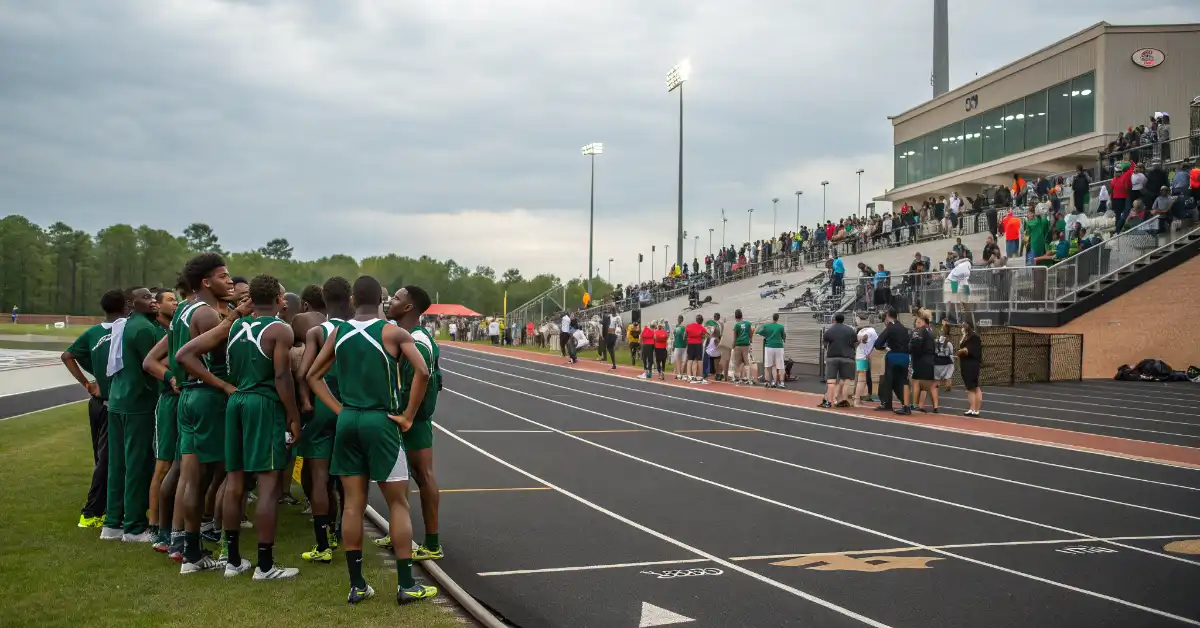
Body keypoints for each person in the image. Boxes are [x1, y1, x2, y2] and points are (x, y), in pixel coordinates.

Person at [305, 276, 438, 605]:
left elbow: (311, 375)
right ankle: (406, 584)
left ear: (353, 299)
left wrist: (339, 409)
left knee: (353, 504)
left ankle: (357, 584)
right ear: (381, 299)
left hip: (348, 420)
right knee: (398, 502)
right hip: (382, 422)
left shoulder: (339, 332)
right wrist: (408, 415)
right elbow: (423, 371)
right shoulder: (394, 332)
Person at [177, 275, 300, 579]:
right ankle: (266, 565)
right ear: (279, 299)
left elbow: (184, 354)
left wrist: (221, 384)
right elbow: (282, 377)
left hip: (235, 402)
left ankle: (232, 560)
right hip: (263, 402)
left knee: (234, 482)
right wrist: (293, 415)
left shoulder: (231, 327)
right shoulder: (280, 329)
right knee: (269, 484)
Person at [172, 253, 237, 573]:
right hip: (206, 396)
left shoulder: (182, 308)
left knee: (193, 477)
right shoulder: (209, 315)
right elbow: (189, 358)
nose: (229, 281)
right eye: (223, 276)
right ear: (206, 282)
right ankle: (200, 552)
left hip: (187, 397)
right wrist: (223, 386)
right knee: (212, 477)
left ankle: (190, 551)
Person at [372, 285, 444, 564]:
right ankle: (398, 532)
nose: (392, 301)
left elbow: (424, 379)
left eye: (398, 298)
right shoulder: (404, 334)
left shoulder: (418, 341)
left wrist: (409, 416)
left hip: (412, 421)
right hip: (402, 417)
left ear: (409, 307)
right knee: (397, 480)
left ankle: (432, 543)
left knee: (423, 476)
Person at [295, 277, 354, 564]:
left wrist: (305, 401)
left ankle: (323, 543)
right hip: (350, 407)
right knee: (348, 476)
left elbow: (303, 372)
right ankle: (344, 530)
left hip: (321, 407)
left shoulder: (317, 332)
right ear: (351, 298)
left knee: (319, 476)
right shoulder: (358, 329)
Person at [100, 286, 165, 542]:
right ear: (131, 302)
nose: (153, 301)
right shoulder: (145, 329)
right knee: (137, 465)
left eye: (153, 297)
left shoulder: (123, 325)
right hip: (138, 402)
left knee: (117, 465)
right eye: (146, 298)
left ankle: (112, 523)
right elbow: (152, 366)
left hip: (118, 399)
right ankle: (134, 527)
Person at [61, 289, 127, 529]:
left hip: (97, 404)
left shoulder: (93, 332)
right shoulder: (126, 331)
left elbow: (68, 355)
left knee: (103, 457)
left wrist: (89, 381)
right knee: (107, 460)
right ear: (126, 307)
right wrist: (91, 381)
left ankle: (110, 506)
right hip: (113, 404)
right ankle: (91, 512)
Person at [145, 287, 179, 548]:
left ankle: (174, 526)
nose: (176, 303)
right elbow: (150, 362)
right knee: (164, 465)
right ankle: (155, 525)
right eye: (171, 300)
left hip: (186, 402)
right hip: (169, 401)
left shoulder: (181, 326)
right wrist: (171, 376)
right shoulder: (172, 331)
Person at [873, 307, 911, 414]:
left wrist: (884, 348)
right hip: (905, 356)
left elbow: (877, 344)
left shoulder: (890, 328)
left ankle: (886, 403)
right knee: (903, 381)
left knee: (887, 381)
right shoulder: (904, 328)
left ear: (888, 317)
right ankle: (906, 404)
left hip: (893, 356)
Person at [820, 312, 856, 407]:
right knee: (845, 380)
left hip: (833, 357)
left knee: (831, 381)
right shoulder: (851, 330)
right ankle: (843, 400)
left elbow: (825, 345)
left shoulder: (830, 330)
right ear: (844, 320)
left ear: (834, 320)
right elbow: (855, 343)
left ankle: (829, 402)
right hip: (848, 358)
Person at [909, 310, 938, 413]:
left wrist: (909, 349)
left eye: (918, 322)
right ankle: (935, 406)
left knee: (916, 383)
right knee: (930, 386)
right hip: (930, 361)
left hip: (920, 360)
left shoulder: (920, 331)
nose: (916, 324)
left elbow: (916, 346)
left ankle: (915, 404)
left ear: (922, 321)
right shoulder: (931, 331)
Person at [958, 321, 984, 416]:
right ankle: (972, 408)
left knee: (974, 386)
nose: (963, 326)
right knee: (970, 387)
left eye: (964, 324)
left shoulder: (974, 337)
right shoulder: (966, 336)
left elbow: (970, 350)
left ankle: (976, 409)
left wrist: (963, 351)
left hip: (971, 364)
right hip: (965, 364)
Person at [756, 313, 787, 389]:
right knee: (780, 366)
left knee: (768, 365)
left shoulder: (767, 326)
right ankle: (781, 382)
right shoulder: (781, 327)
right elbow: (784, 336)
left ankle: (768, 382)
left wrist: (765, 334)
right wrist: (784, 339)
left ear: (772, 318)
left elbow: (758, 331)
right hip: (779, 347)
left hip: (769, 347)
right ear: (778, 318)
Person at [854, 316, 878, 406]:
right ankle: (856, 399)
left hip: (860, 356)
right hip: (862, 358)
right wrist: (864, 340)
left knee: (861, 379)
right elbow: (875, 342)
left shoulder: (861, 331)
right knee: (862, 380)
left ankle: (857, 398)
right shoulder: (872, 331)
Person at [730, 309, 754, 384]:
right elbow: (751, 333)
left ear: (735, 317)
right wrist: (750, 340)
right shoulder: (748, 323)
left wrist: (732, 346)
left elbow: (734, 338)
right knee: (746, 361)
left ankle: (738, 377)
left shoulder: (736, 325)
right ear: (742, 316)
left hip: (738, 344)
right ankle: (748, 377)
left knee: (738, 362)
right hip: (746, 344)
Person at [933, 319, 956, 395]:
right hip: (946, 361)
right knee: (947, 375)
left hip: (937, 361)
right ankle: (947, 385)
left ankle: (937, 385)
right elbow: (951, 352)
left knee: (937, 377)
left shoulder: (936, 341)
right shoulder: (948, 342)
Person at [684, 314, 708, 384]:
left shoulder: (689, 326)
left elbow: (685, 335)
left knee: (690, 359)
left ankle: (689, 375)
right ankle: (700, 376)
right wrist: (701, 337)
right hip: (698, 344)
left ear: (696, 320)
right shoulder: (701, 327)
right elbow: (706, 335)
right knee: (699, 360)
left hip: (690, 344)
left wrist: (688, 340)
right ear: (702, 321)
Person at [671, 315, 687, 380]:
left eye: (680, 319)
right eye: (678, 319)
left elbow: (684, 336)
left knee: (680, 360)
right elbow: (675, 337)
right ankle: (679, 374)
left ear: (682, 320)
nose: (679, 320)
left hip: (681, 345)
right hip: (679, 345)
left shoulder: (683, 327)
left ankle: (680, 374)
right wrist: (674, 345)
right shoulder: (678, 327)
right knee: (679, 360)